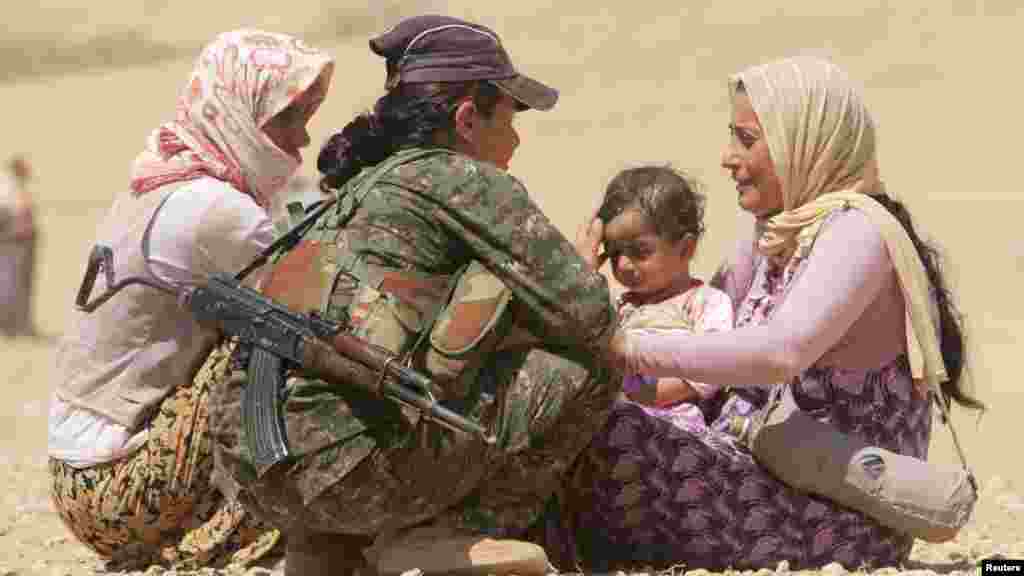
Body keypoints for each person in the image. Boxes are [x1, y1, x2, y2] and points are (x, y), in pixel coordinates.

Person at [200, 15, 621, 576]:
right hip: (344, 471)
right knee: (592, 364)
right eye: (511, 118)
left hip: (251, 471)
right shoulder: (463, 181)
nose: (517, 138)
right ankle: (451, 533)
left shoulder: (361, 185)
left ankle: (326, 548)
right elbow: (590, 317)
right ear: (468, 118)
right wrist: (583, 266)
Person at [551, 56, 985, 571]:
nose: (727, 158)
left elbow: (781, 351)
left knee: (607, 430)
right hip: (757, 475)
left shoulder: (857, 231)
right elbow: (693, 326)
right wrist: (588, 283)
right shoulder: (777, 236)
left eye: (747, 139)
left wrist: (625, 350)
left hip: (829, 516)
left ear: (804, 141)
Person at [47, 30, 334, 570]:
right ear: (236, 114)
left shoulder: (164, 180)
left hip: (81, 477)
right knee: (287, 341)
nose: (301, 141)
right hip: (118, 484)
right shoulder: (211, 209)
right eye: (285, 119)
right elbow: (322, 301)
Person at [596, 165, 733, 430]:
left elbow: (714, 368)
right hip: (617, 414)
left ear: (686, 248)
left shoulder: (704, 302)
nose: (623, 264)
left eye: (640, 251)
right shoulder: (620, 307)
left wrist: (646, 396)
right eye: (614, 253)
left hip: (672, 425)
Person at [0, 155, 41, 337]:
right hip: (13, 244)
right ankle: (10, 326)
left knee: (22, 285)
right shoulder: (6, 190)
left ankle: (20, 325)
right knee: (10, 284)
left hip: (24, 244)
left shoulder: (17, 188)